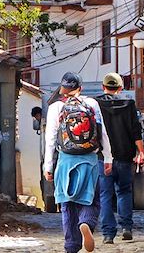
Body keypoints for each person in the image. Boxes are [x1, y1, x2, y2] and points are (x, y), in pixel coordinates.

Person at [44, 73, 113, 253]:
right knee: (91, 200)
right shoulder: (91, 104)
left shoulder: (56, 107)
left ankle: (71, 246)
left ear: (62, 90)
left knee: (67, 205)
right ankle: (86, 224)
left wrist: (48, 166)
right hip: (89, 160)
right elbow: (101, 132)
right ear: (80, 89)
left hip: (65, 162)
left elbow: (50, 138)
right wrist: (108, 158)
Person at [95, 72, 144, 244]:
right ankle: (126, 227)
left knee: (105, 195)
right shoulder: (129, 104)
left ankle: (108, 233)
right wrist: (141, 151)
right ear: (120, 88)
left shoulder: (97, 104)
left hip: (103, 158)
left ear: (103, 87)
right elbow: (135, 130)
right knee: (124, 191)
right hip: (125, 156)